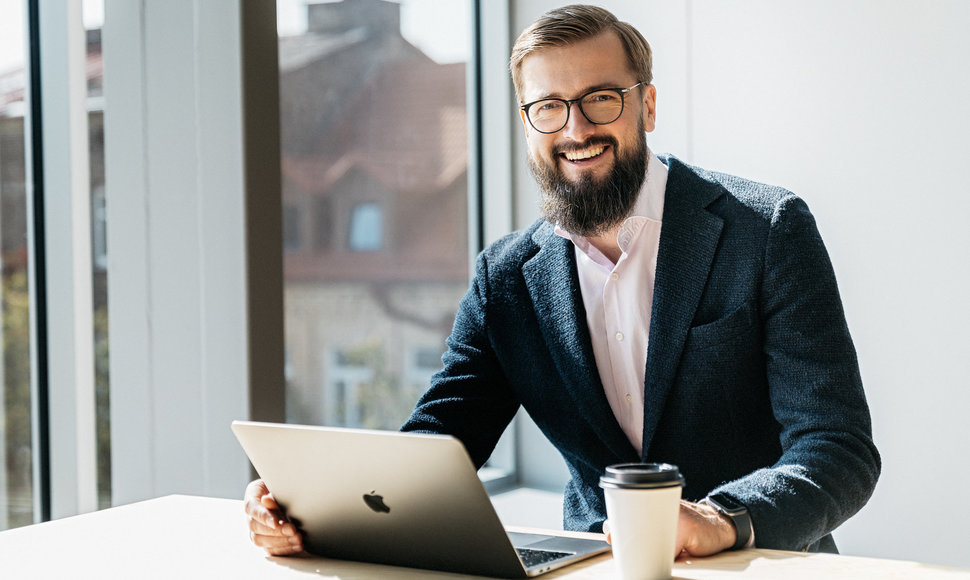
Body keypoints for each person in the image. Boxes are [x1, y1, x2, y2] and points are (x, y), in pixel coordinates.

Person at [246, 3, 880, 559]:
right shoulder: (506, 279)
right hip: (593, 569)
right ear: (528, 125)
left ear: (647, 105)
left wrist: (720, 520)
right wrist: (310, 510)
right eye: (549, 107)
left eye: (601, 98)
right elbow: (436, 452)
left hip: (758, 563)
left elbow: (838, 449)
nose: (576, 130)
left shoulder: (766, 231)